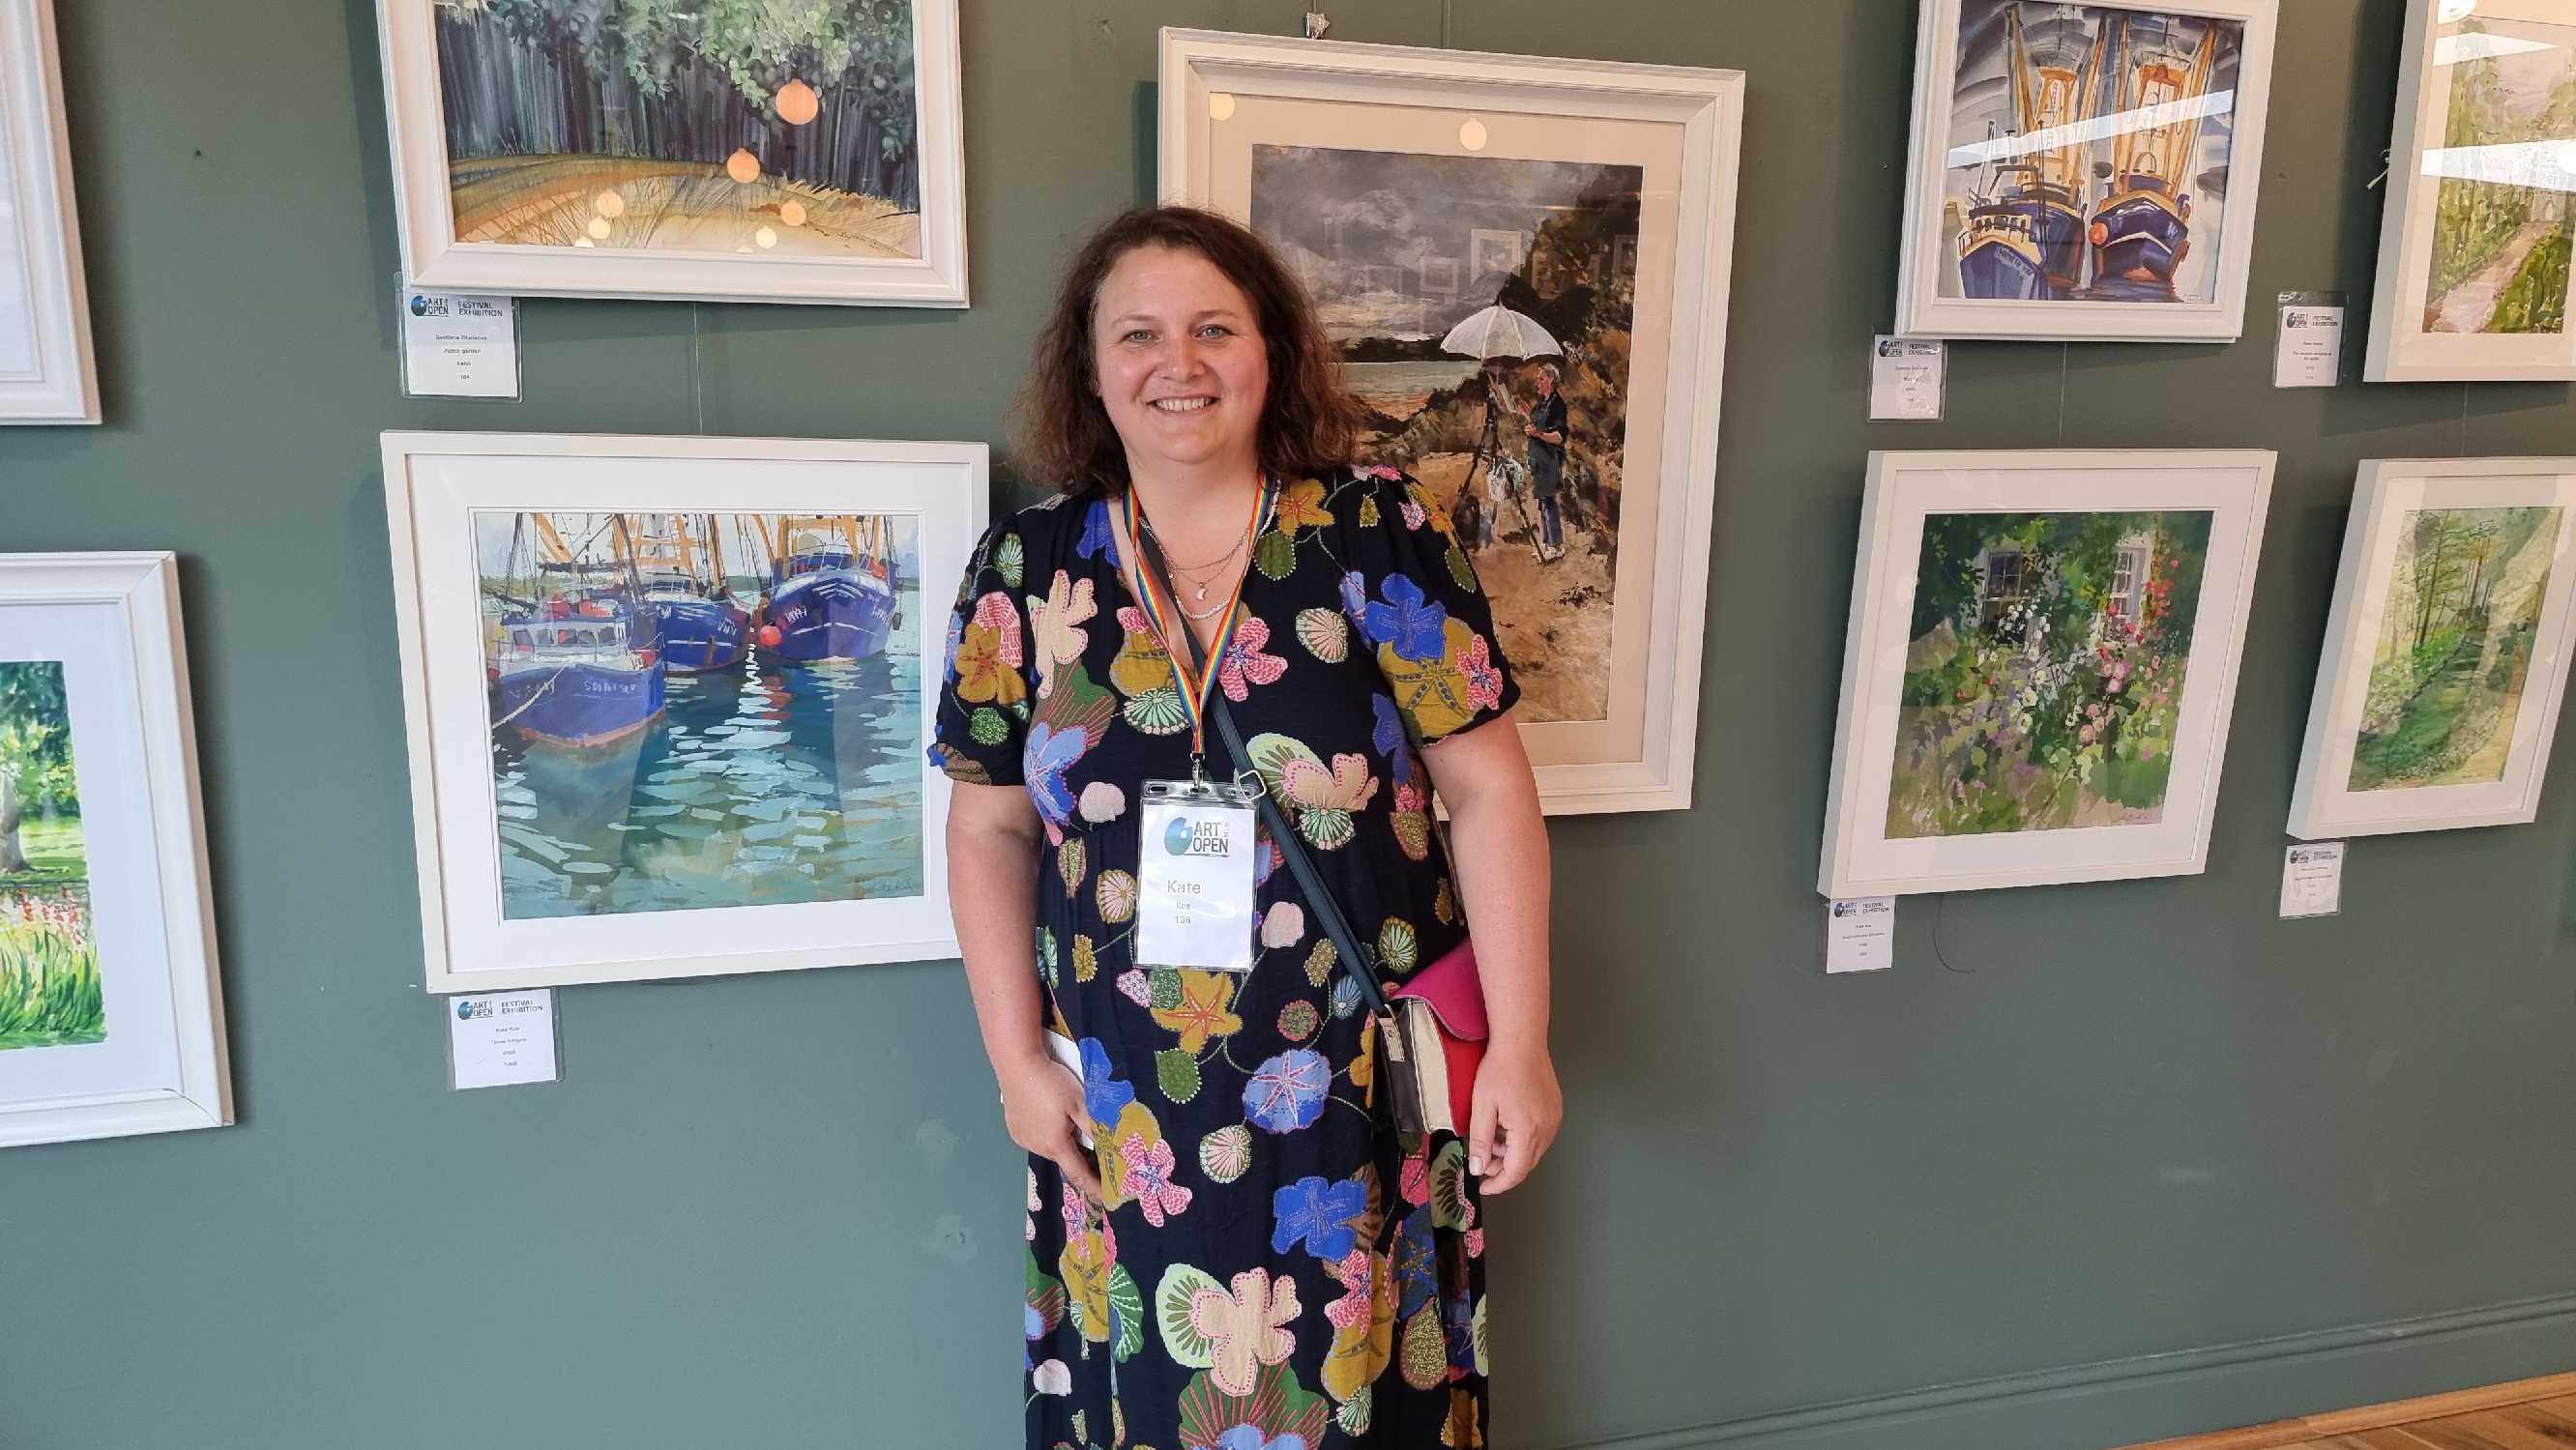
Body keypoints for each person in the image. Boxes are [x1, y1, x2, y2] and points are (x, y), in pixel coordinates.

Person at [930, 205, 1561, 1449]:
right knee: (1150, 1400)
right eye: (1139, 335)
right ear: (1090, 366)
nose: (1180, 363)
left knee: (1364, 1400)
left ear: (1271, 350)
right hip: (1125, 1104)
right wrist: (1015, 1066)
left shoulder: (1376, 534)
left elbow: (1492, 793)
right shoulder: (1026, 567)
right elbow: (987, 830)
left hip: (1359, 1090)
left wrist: (1526, 1044)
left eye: (1215, 329)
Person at [1523, 361, 1569, 557]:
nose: (1537, 382)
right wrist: (1527, 415)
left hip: (1550, 459)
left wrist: (1537, 434)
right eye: (1537, 378)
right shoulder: (1542, 402)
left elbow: (1558, 437)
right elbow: (1537, 426)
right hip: (1538, 459)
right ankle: (1547, 542)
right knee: (1543, 500)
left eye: (1541, 378)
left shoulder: (1557, 404)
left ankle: (1556, 546)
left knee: (1549, 500)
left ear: (1550, 380)